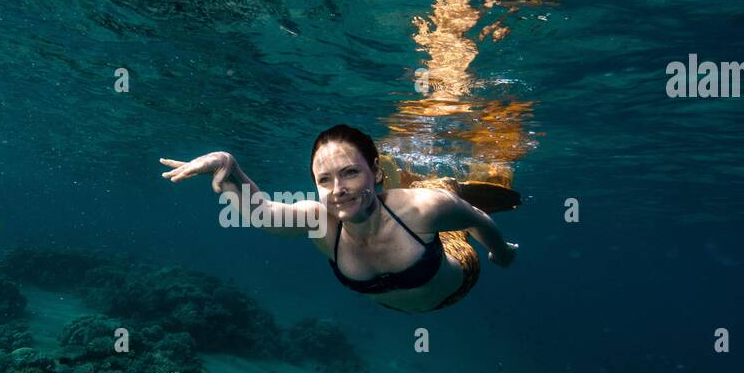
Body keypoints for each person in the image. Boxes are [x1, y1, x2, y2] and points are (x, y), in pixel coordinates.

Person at [161, 124, 516, 314]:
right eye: (324, 180)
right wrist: (227, 164)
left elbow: (479, 218)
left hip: (458, 280)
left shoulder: (424, 208)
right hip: (404, 308)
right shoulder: (321, 221)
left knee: (450, 204)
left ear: (375, 172)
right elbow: (262, 212)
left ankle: (445, 178)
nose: (338, 190)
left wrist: (501, 252)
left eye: (349, 173)